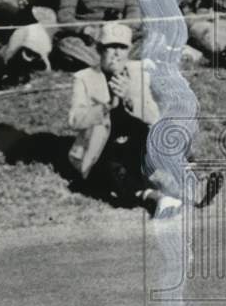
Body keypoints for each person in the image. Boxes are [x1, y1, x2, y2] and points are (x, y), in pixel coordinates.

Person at [68, 22, 182, 218]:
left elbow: (153, 116)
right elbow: (75, 120)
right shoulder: (85, 78)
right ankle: (152, 197)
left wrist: (130, 97)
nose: (116, 54)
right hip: (100, 147)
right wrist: (106, 106)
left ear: (129, 50)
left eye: (122, 48)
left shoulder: (138, 72)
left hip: (132, 142)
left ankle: (187, 181)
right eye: (110, 47)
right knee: (113, 168)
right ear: (99, 50)